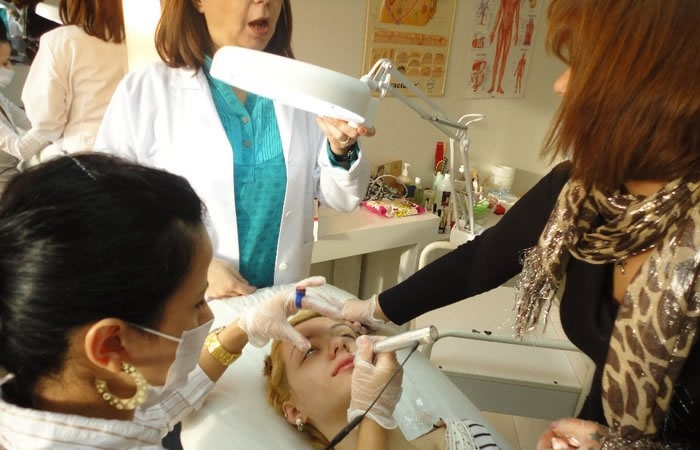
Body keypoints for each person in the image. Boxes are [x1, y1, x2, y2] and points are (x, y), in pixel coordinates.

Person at [338, 0, 699, 448]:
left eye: (578, 66)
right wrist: (372, 310)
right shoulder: (579, 195)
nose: (560, 85)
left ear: (649, 90)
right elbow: (477, 263)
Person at [0, 154, 391, 449]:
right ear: (112, 345)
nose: (208, 316)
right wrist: (372, 417)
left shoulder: (83, 394)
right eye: (196, 303)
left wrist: (245, 327)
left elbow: (154, 411)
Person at [95, 0, 372, 300]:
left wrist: (340, 147)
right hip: (192, 308)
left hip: (281, 307)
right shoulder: (145, 91)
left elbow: (342, 198)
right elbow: (107, 214)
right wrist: (189, 265)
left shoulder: (302, 91)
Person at [264, 310, 501, 450]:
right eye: (309, 351)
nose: (339, 343)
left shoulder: (466, 436)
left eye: (346, 335)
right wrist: (372, 413)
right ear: (294, 411)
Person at [20, 0, 127, 164]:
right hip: (133, 152)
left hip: (85, 154)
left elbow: (46, 120)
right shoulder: (139, 40)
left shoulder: (61, 40)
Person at [0, 20, 49, 192]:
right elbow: (20, 148)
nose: (11, 69)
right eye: (4, 64)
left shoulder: (1, 99)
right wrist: (52, 124)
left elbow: (29, 122)